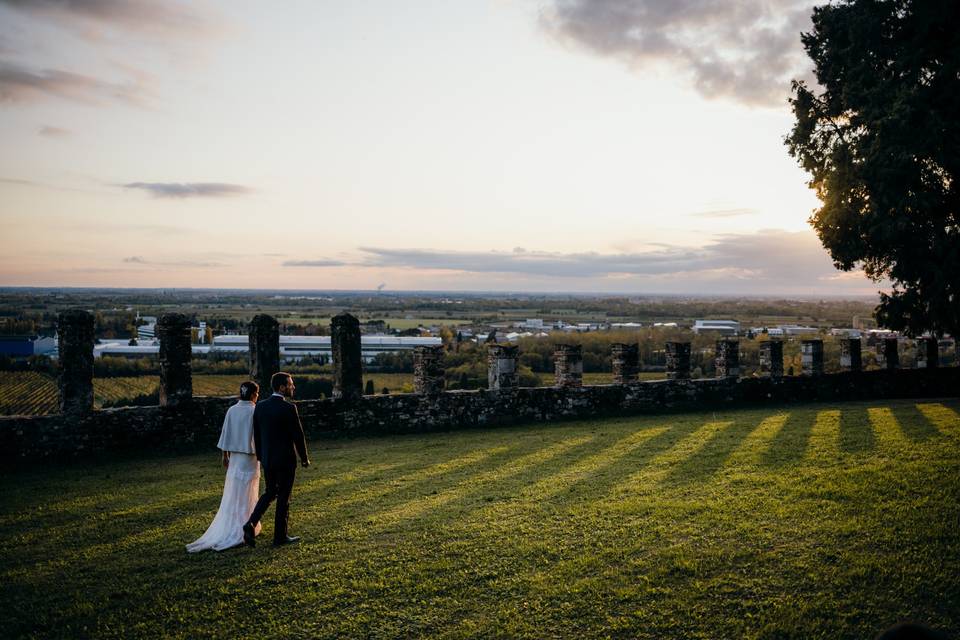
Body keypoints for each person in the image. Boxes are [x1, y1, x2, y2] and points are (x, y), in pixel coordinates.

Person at [186, 381, 263, 552]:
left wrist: (225, 455)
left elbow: (226, 433)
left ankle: (241, 523)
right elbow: (258, 436)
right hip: (249, 457)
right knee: (247, 491)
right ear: (252, 394)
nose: (257, 397)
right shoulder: (255, 410)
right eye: (257, 394)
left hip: (235, 457)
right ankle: (245, 524)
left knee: (235, 491)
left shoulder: (232, 410)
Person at [243, 371, 310, 547]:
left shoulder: (260, 407)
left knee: (270, 492)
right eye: (290, 384)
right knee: (283, 497)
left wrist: (261, 456)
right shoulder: (289, 408)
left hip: (268, 459)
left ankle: (251, 522)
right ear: (281, 387)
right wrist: (304, 458)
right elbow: (298, 436)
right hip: (286, 460)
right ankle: (280, 537)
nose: (293, 386)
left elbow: (256, 434)